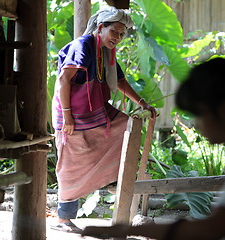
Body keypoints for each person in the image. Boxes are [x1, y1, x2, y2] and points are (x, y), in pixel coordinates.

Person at [81, 38, 225, 239]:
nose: (196, 124)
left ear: (224, 111)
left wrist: (126, 230)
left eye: (199, 114)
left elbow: (210, 229)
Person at [51, 6, 156, 233]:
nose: (117, 38)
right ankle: (63, 220)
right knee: (72, 164)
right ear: (100, 28)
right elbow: (63, 79)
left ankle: (110, 178)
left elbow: (119, 81)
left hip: (94, 109)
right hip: (72, 114)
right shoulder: (83, 46)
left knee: (124, 127)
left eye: (121, 34)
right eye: (114, 32)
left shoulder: (105, 52)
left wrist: (142, 103)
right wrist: (67, 116)